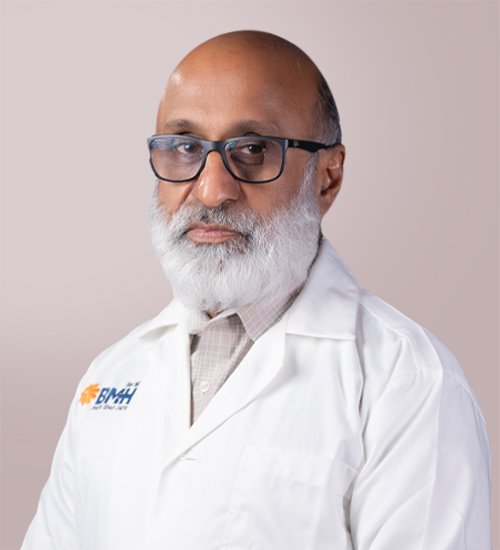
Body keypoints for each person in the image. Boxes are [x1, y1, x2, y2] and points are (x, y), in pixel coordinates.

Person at [22, 30, 491, 549]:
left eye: (252, 150)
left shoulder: (409, 383)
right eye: (185, 148)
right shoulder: (110, 374)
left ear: (327, 177)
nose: (211, 190)